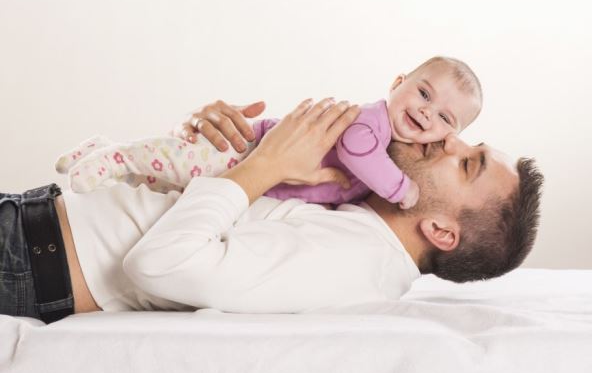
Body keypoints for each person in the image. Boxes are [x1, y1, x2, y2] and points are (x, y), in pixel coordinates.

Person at [0, 98, 543, 324]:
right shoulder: (354, 206)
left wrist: (264, 167)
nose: (447, 138)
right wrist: (214, 144)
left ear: (442, 231)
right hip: (28, 229)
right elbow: (193, 208)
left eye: (467, 163)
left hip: (25, 257)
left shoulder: (354, 262)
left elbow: (160, 264)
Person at [55, 56, 482, 209]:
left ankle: (105, 152)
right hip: (246, 150)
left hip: (252, 183)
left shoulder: (388, 153)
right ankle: (119, 156)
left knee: (166, 183)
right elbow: (355, 153)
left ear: (451, 138)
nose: (426, 113)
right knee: (179, 163)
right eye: (423, 93)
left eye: (445, 118)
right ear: (397, 83)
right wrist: (403, 190)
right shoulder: (370, 125)